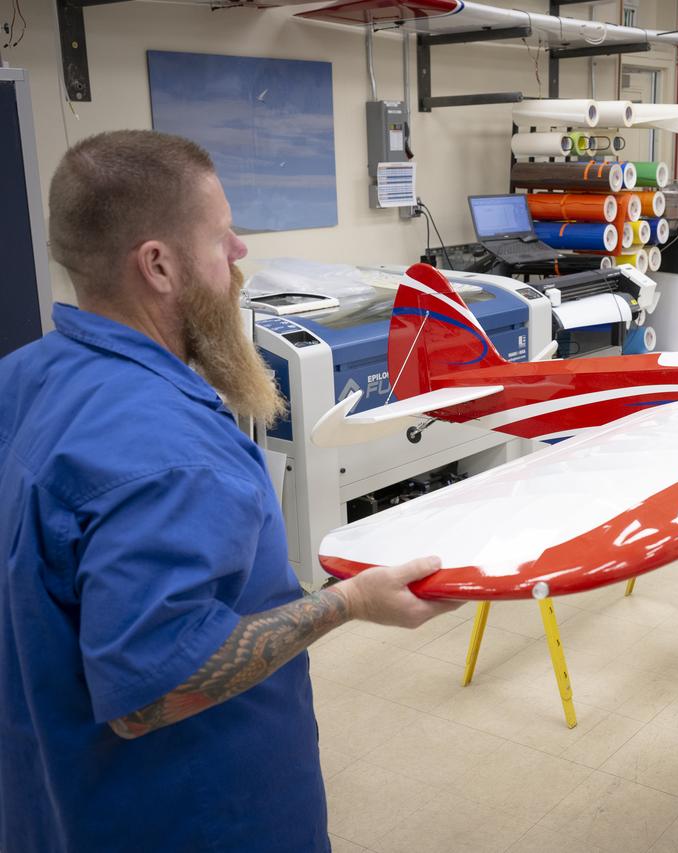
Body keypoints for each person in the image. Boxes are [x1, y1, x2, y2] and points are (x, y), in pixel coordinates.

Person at [0, 130, 462, 852]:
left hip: (62, 800)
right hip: (190, 816)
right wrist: (348, 602)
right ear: (158, 264)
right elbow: (150, 690)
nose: (241, 254)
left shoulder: (24, 377)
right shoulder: (173, 452)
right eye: (222, 239)